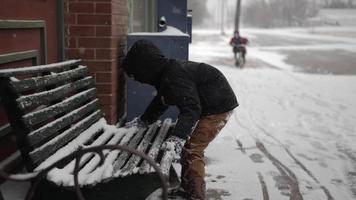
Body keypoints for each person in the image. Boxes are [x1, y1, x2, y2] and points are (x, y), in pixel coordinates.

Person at [121, 39, 238, 200]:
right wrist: (144, 120)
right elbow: (161, 101)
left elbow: (192, 108)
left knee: (192, 149)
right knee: (188, 148)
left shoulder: (174, 76)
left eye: (136, 76)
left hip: (218, 107)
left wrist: (178, 137)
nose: (139, 81)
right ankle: (186, 188)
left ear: (145, 69)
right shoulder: (166, 75)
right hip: (210, 102)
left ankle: (196, 195)